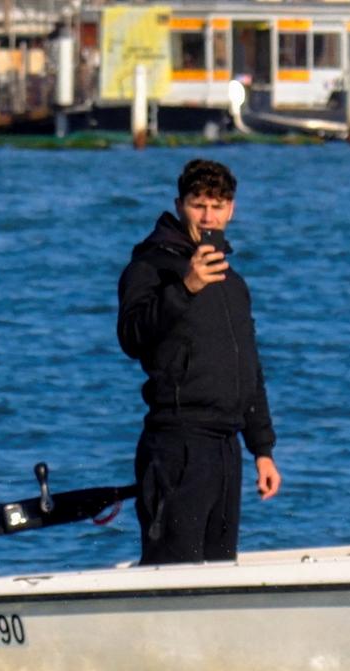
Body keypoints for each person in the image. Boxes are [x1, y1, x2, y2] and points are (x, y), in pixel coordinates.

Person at [116, 159, 280, 565]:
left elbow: (248, 367)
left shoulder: (233, 283)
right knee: (173, 569)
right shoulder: (148, 267)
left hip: (226, 449)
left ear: (231, 210)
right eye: (198, 205)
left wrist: (261, 449)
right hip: (177, 444)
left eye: (217, 206)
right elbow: (131, 338)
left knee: (220, 571)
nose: (208, 217)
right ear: (180, 205)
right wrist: (185, 288)